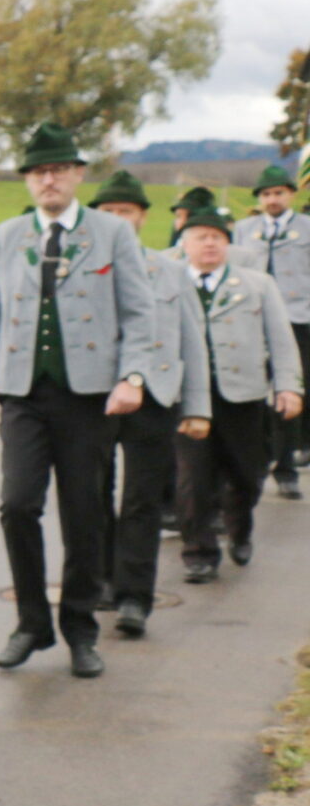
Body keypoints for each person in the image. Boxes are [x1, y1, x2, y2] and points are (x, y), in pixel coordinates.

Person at [0, 122, 157, 679]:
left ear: (77, 174)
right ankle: (31, 622)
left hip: (89, 396)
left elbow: (139, 312)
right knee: (18, 504)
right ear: (28, 180)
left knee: (84, 513)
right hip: (23, 392)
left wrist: (133, 376)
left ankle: (79, 628)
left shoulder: (110, 232)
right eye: (38, 172)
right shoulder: (8, 235)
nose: (48, 180)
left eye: (58, 170)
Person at [87, 172, 211, 637]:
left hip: (155, 395)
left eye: (126, 211)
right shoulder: (79, 270)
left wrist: (197, 407)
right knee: (93, 492)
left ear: (142, 217)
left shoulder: (169, 270)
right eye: (108, 212)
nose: (118, 219)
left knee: (142, 499)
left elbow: (192, 341)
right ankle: (102, 577)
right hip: (94, 397)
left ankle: (134, 597)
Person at [178, 206, 305, 582]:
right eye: (201, 237)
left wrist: (288, 386)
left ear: (228, 244)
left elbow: (281, 340)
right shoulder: (170, 284)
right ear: (184, 244)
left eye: (217, 237)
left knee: (247, 474)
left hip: (243, 395)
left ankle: (239, 526)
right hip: (189, 397)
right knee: (193, 479)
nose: (210, 244)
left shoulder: (257, 284)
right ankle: (199, 552)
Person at [233, 161, 309, 499]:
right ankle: (258, 459)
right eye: (266, 194)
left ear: (291, 194)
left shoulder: (306, 227)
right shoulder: (244, 229)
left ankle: (286, 467)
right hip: (254, 319)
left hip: (298, 316)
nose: (272, 199)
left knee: (289, 390)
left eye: (278, 193)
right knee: (251, 391)